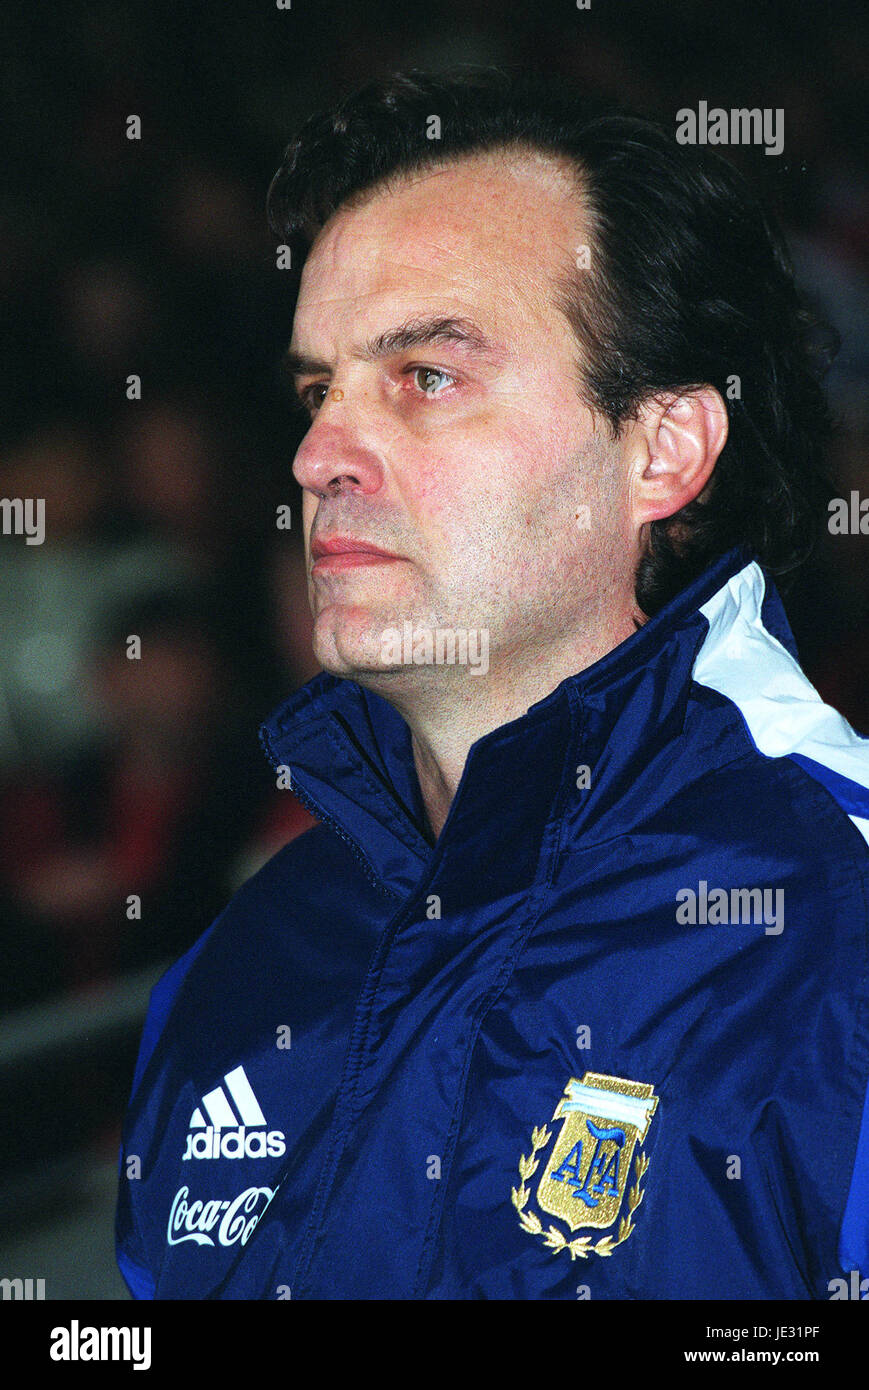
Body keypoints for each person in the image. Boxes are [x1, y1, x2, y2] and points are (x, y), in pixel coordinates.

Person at [116, 68, 869, 1300]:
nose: (315, 456)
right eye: (318, 392)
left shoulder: (831, 921)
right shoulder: (239, 966)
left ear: (660, 449)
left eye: (424, 377)